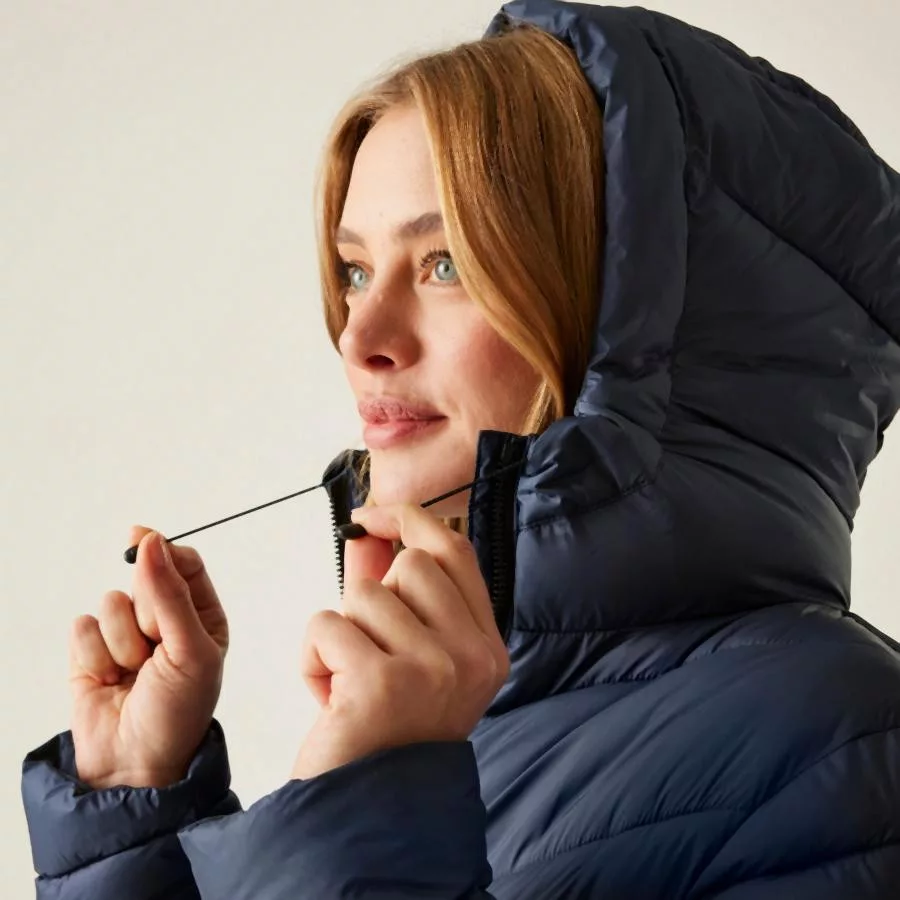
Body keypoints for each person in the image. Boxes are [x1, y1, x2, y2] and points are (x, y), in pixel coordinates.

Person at [21, 1, 900, 897]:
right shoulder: (442, 719)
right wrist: (131, 814)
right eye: (356, 270)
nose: (359, 336)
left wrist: (366, 813)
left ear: (636, 325)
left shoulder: (844, 739)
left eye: (445, 264)